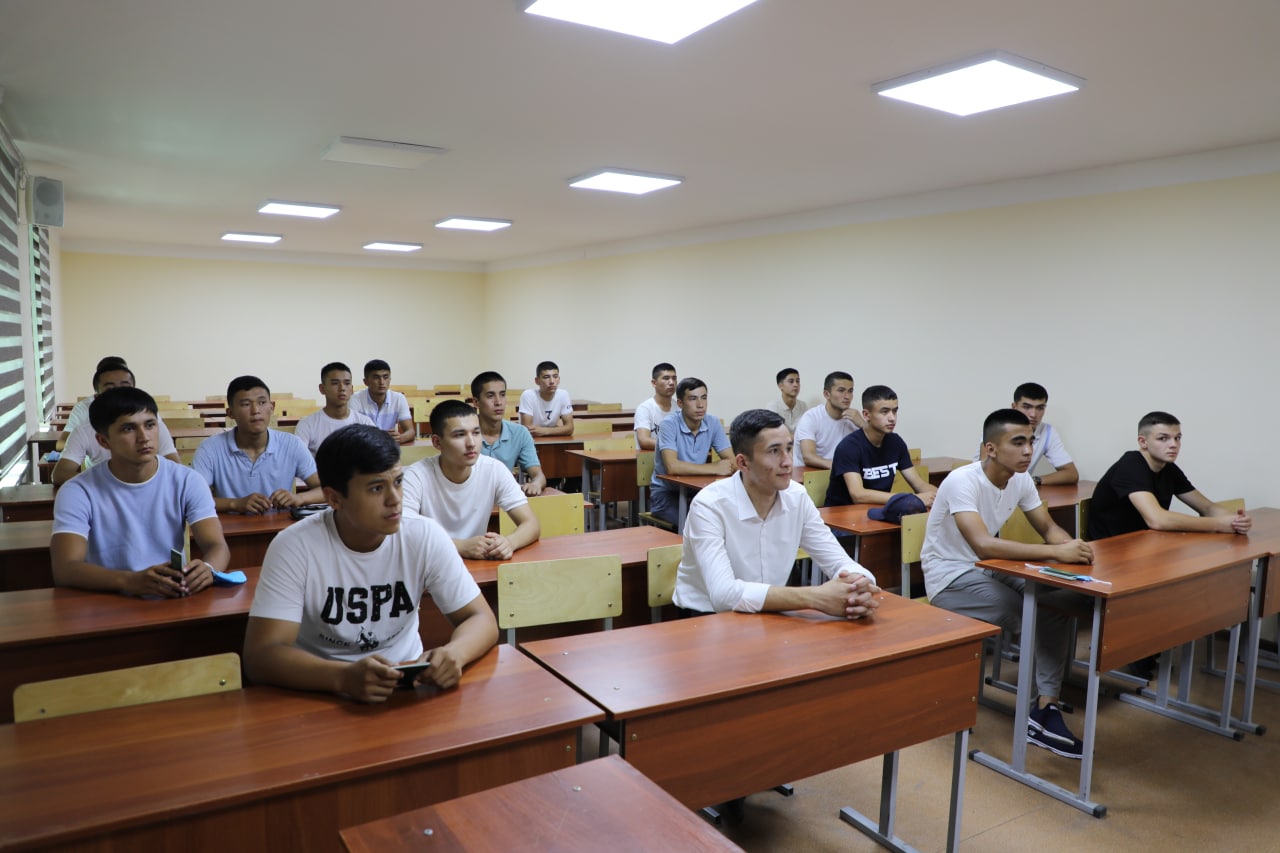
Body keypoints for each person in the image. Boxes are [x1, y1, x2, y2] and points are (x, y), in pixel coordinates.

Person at [242, 424, 498, 702]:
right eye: (376, 488)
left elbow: (481, 619)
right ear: (334, 498)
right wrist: (341, 677)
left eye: (398, 482)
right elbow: (261, 656)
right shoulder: (294, 546)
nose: (395, 500)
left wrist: (455, 653)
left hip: (406, 686)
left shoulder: (424, 535)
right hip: (321, 692)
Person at [921, 408, 1093, 759]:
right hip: (949, 576)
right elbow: (983, 545)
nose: (1028, 451)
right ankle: (1036, 712)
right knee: (1025, 612)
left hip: (989, 568)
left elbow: (1048, 528)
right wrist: (1055, 553)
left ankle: (1045, 707)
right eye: (1018, 442)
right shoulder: (961, 481)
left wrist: (1071, 549)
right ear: (991, 449)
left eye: (1030, 441)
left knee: (1055, 602)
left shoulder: (1021, 479)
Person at [674, 408, 881, 616]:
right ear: (743, 463)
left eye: (789, 449)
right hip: (705, 616)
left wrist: (858, 585)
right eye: (774, 451)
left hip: (771, 610)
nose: (787, 461)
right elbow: (723, 596)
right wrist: (816, 597)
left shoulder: (797, 496)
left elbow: (838, 560)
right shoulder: (709, 505)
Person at [50, 387, 230, 597]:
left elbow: (218, 546)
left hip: (171, 595)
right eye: (128, 429)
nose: (144, 437)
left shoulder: (187, 480)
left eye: (150, 425)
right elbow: (65, 569)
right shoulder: (78, 491)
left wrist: (208, 568)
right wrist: (130, 581)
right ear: (103, 441)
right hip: (107, 598)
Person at [403, 399, 541, 560]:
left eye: (476, 433)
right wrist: (459, 546)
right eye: (460, 435)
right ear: (437, 442)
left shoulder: (494, 470)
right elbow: (403, 534)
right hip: (429, 564)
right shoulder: (416, 477)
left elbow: (531, 524)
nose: (471, 443)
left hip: (476, 563)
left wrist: (509, 542)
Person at [1089, 411, 1252, 540]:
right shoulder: (1130, 466)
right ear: (1143, 442)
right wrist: (1218, 524)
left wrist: (1236, 521)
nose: (1173, 444)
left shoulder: (1168, 468)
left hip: (1146, 544)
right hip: (1112, 551)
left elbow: (1207, 507)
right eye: (1163, 438)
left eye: (1177, 438)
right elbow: (1157, 520)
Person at [192, 375, 325, 513]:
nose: (255, 410)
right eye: (246, 404)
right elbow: (194, 497)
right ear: (230, 413)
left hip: (282, 525)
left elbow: (326, 489)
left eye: (262, 402)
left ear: (272, 407)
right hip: (230, 526)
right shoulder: (209, 449)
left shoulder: (292, 444)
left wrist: (299, 498)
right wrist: (235, 504)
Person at [52, 362, 181, 485]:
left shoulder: (152, 425)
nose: (120, 394)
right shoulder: (85, 431)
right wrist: (110, 485)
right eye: (110, 389)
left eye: (125, 387)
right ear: (97, 397)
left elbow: (175, 466)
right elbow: (60, 474)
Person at [827, 384, 936, 508]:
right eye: (884, 412)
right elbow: (858, 495)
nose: (892, 418)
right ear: (866, 415)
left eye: (894, 411)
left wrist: (942, 496)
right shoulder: (849, 446)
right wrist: (911, 498)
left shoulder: (896, 442)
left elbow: (920, 485)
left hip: (878, 510)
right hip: (843, 514)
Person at [649, 377, 735, 526]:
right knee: (698, 523)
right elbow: (672, 467)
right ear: (680, 403)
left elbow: (732, 461)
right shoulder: (669, 424)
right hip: (666, 494)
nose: (700, 405)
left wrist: (723, 467)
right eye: (693, 399)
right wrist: (714, 468)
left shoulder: (713, 422)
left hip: (698, 491)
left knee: (728, 517)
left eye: (704, 398)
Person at [974, 383, 1079, 485]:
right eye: (1027, 407)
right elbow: (986, 470)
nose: (1033, 414)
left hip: (1018, 489)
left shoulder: (1048, 432)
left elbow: (1071, 474)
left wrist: (1035, 480)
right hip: (986, 486)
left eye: (1040, 408)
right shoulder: (999, 426)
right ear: (1014, 407)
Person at [472, 370, 547, 496]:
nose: (498, 402)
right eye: (490, 396)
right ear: (476, 402)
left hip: (503, 499)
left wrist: (536, 484)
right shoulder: (464, 434)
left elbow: (538, 475)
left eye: (502, 395)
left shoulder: (520, 433)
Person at [294, 361, 375, 455]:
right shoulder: (307, 424)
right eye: (335, 383)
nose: (342, 388)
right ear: (322, 389)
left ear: (352, 389)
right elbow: (298, 459)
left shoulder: (365, 423)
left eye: (347, 383)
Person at [792, 370, 865, 469]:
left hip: (840, 472)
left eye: (850, 391)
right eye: (841, 390)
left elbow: (875, 449)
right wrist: (841, 467)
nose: (847, 396)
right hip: (808, 474)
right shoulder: (811, 417)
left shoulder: (854, 419)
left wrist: (863, 425)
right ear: (827, 394)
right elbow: (808, 457)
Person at [59, 355, 129, 441]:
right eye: (110, 387)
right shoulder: (83, 407)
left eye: (124, 385)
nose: (118, 391)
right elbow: (63, 442)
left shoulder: (141, 406)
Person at [351, 359, 415, 445]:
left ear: (390, 379)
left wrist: (399, 438)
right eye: (376, 377)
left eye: (385, 377)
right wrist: (380, 438)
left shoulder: (399, 398)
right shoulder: (355, 399)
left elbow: (410, 431)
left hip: (388, 448)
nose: (382, 382)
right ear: (366, 381)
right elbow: (351, 434)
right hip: (364, 447)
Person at [518, 360, 574, 437]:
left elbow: (570, 428)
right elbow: (527, 431)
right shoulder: (528, 395)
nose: (552, 381)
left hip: (552, 439)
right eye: (546, 377)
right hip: (531, 440)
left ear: (559, 379)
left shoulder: (563, 395)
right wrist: (558, 429)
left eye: (555, 376)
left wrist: (544, 431)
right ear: (537, 381)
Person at [634, 362, 677, 450]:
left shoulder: (680, 408)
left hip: (677, 455)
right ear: (654, 383)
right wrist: (674, 445)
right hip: (651, 457)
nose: (671, 382)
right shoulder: (644, 408)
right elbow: (644, 441)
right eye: (666, 378)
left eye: (674, 378)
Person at [766, 368, 808, 433]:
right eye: (791, 381)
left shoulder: (803, 406)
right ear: (781, 386)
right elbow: (775, 433)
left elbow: (807, 430)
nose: (796, 385)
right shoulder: (773, 407)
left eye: (797, 381)